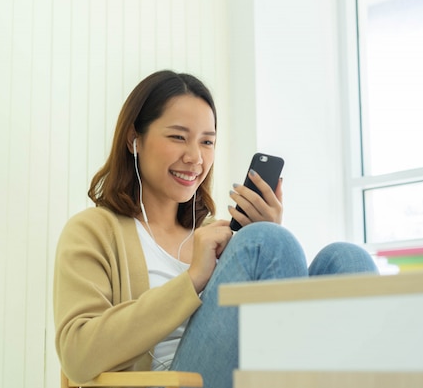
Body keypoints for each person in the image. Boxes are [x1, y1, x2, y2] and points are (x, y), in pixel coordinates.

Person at [53, 70, 378, 388]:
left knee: (347, 260)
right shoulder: (94, 231)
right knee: (265, 242)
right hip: (171, 382)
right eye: (178, 137)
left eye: (207, 142)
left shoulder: (217, 237)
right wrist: (192, 279)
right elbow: (77, 356)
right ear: (134, 139)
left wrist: (270, 254)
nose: (195, 157)